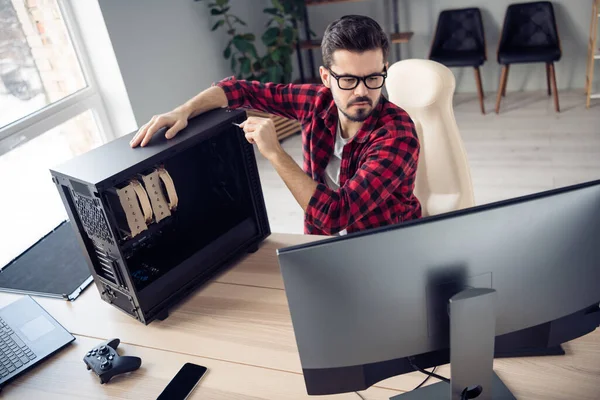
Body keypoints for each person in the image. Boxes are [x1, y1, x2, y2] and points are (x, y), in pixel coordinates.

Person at [130, 15, 421, 236]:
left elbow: (336, 214)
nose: (361, 92)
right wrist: (183, 110)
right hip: (323, 242)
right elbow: (240, 90)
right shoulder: (317, 101)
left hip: (385, 243)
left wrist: (275, 153)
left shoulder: (397, 134)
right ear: (326, 77)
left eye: (372, 78)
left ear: (384, 71)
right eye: (348, 80)